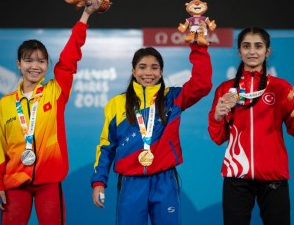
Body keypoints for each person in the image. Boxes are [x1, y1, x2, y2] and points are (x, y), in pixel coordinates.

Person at [0, 0, 103, 224]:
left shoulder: (55, 92)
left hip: (49, 182)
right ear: (19, 64)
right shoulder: (5, 104)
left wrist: (85, 16)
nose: (34, 66)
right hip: (15, 183)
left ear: (47, 65)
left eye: (41, 61)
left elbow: (69, 58)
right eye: (28, 61)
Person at [207, 27, 294, 225]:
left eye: (258, 46)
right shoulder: (226, 89)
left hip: (273, 175)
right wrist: (217, 117)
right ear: (239, 51)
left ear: (267, 51)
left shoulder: (281, 88)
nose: (252, 51)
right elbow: (218, 137)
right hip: (237, 175)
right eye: (246, 46)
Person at [91, 42, 213, 224]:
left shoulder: (172, 98)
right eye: (142, 67)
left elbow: (202, 85)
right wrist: (99, 182)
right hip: (131, 181)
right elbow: (106, 146)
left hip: (164, 180)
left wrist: (199, 48)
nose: (148, 72)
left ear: (161, 72)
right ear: (133, 71)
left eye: (154, 67)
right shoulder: (116, 104)